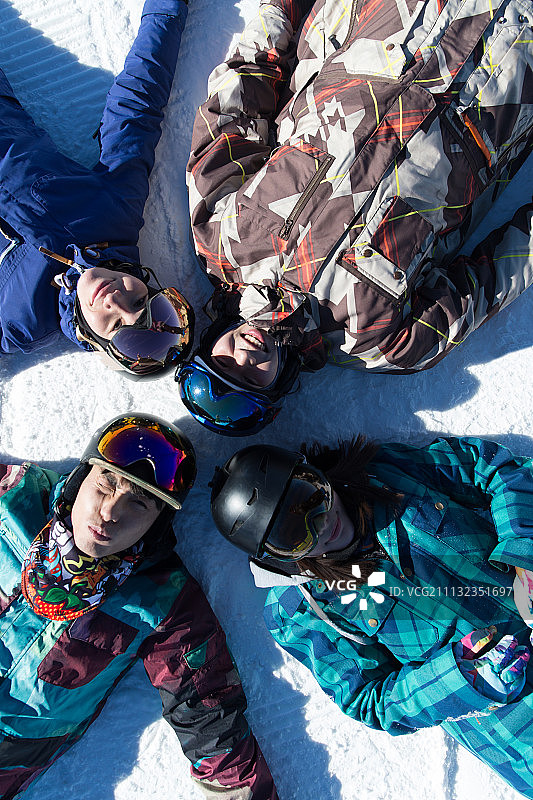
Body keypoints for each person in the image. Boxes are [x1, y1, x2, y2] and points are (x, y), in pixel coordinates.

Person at [179, 0, 533, 432]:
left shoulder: (220, 237)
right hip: (502, 81)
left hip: (400, 28)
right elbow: (499, 274)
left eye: (224, 363)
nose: (245, 358)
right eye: (252, 379)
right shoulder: (380, 341)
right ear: (278, 386)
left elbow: (233, 107)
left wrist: (279, 13)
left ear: (209, 342)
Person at [209, 436, 533, 796]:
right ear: (277, 557)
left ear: (313, 472)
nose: (321, 523)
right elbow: (369, 700)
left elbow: (492, 468)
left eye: (312, 497)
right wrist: (458, 679)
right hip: (519, 719)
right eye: (294, 535)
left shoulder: (387, 475)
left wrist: (524, 555)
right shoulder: (301, 611)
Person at [0, 413, 278, 800]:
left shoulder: (163, 599)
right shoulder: (14, 497)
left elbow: (205, 711)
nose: (110, 512)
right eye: (106, 484)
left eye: (139, 503)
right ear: (83, 476)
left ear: (156, 523)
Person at [0, 0, 194, 375]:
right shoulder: (114, 211)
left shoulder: (21, 323)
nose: (116, 302)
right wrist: (167, 10)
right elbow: (137, 109)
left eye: (118, 326)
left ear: (93, 341)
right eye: (138, 301)